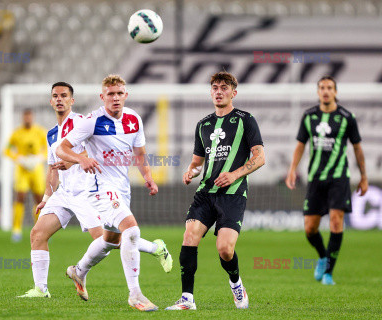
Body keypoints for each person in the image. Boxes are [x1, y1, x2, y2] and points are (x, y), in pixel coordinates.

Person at [18, 82, 172, 299]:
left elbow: (91, 153)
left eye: (64, 95)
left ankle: (155, 248)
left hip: (87, 191)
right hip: (64, 193)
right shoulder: (52, 134)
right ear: (50, 101)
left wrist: (76, 161)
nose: (59, 99)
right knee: (37, 233)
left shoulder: (83, 122)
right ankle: (41, 289)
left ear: (72, 101)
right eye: (55, 96)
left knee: (108, 240)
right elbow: (53, 168)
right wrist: (46, 197)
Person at [56, 75, 169, 311]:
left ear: (125, 95)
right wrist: (81, 159)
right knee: (132, 230)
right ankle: (135, 294)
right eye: (110, 94)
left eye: (119, 93)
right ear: (102, 97)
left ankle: (78, 271)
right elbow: (62, 148)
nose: (115, 98)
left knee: (110, 241)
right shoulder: (91, 121)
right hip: (99, 188)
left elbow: (139, 153)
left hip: (121, 188)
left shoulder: (134, 119)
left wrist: (148, 177)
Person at [166, 72, 265, 311]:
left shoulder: (245, 120)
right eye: (215, 87)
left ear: (233, 92)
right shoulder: (204, 125)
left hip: (233, 194)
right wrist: (191, 171)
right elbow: (198, 162)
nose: (219, 91)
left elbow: (260, 157)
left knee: (224, 248)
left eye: (224, 87)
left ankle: (236, 283)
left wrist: (234, 174)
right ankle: (187, 299)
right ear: (210, 92)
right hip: (205, 192)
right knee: (189, 236)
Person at [285, 76, 368, 285]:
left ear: (336, 92)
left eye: (329, 88)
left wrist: (363, 177)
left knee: (336, 221)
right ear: (318, 91)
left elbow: (357, 148)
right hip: (315, 179)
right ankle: (322, 256)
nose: (325, 91)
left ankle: (329, 273)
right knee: (310, 228)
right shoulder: (309, 116)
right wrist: (292, 169)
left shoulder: (347, 117)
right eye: (322, 87)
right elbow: (300, 145)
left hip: (339, 178)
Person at [4, 109, 47, 242]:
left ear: (32, 118)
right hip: (22, 169)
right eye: (25, 117)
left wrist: (40, 158)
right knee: (20, 197)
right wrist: (19, 158)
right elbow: (7, 150)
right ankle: (16, 229)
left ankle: (40, 229)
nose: (27, 119)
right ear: (23, 118)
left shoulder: (40, 132)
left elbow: (47, 148)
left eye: (29, 117)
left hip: (36, 169)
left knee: (39, 199)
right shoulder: (16, 133)